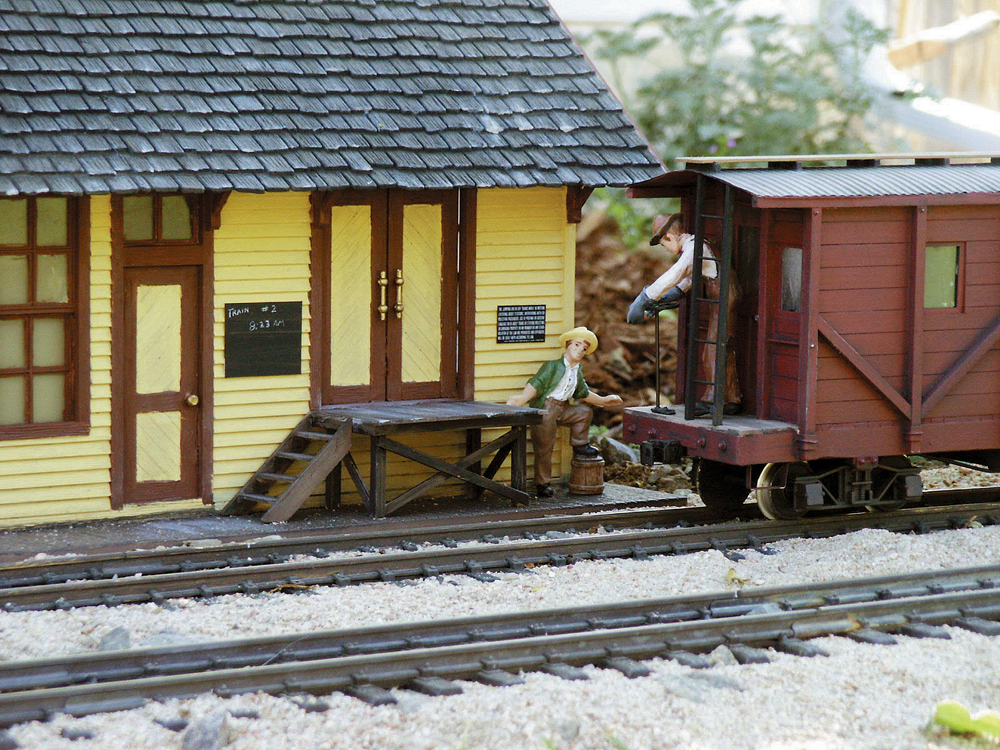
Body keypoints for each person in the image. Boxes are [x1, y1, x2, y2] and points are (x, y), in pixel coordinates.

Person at [626, 213, 741, 416]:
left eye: (663, 245)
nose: (667, 250)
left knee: (712, 348)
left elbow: (677, 273)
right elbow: (687, 281)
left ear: (670, 236)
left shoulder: (694, 248)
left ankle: (713, 399)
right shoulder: (696, 247)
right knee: (724, 346)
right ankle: (731, 398)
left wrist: (644, 298)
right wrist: (664, 300)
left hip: (724, 297)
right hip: (724, 295)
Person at [507, 326, 622, 497]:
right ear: (568, 345)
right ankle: (542, 483)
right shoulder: (553, 366)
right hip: (547, 408)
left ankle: (580, 445)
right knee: (545, 448)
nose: (580, 351)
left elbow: (583, 393)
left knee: (583, 412)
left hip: (563, 407)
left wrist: (603, 401)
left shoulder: (577, 371)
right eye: (576, 345)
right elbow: (536, 383)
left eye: (584, 348)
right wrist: (523, 398)